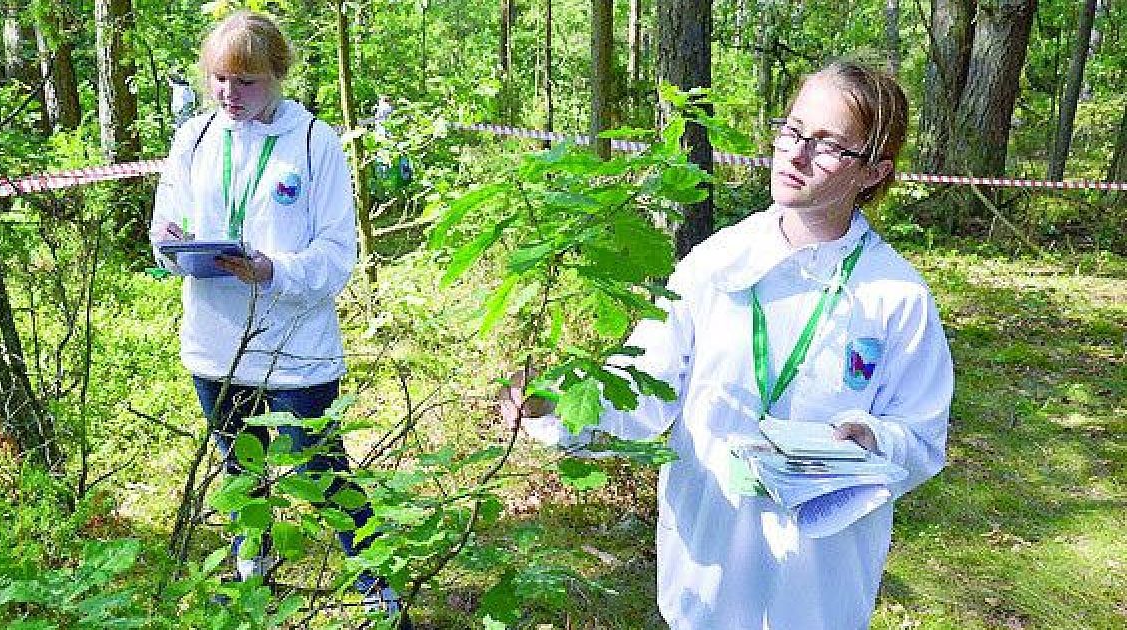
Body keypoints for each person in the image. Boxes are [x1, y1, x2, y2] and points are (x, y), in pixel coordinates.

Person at [500, 58, 953, 629]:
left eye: (828, 144)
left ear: (872, 171)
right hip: (708, 563)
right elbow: (645, 381)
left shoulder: (895, 297)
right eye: (791, 130)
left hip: (819, 581)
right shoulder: (718, 262)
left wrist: (874, 438)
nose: (796, 153)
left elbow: (921, 436)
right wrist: (559, 402)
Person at [149, 11, 407, 623]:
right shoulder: (195, 137)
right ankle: (253, 559)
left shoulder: (314, 142)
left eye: (245, 82)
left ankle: (375, 582)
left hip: (296, 344)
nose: (228, 95)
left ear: (277, 77)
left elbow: (337, 254)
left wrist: (273, 272)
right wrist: (168, 241)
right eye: (218, 79)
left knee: (320, 465)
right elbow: (165, 225)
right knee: (240, 460)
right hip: (215, 339)